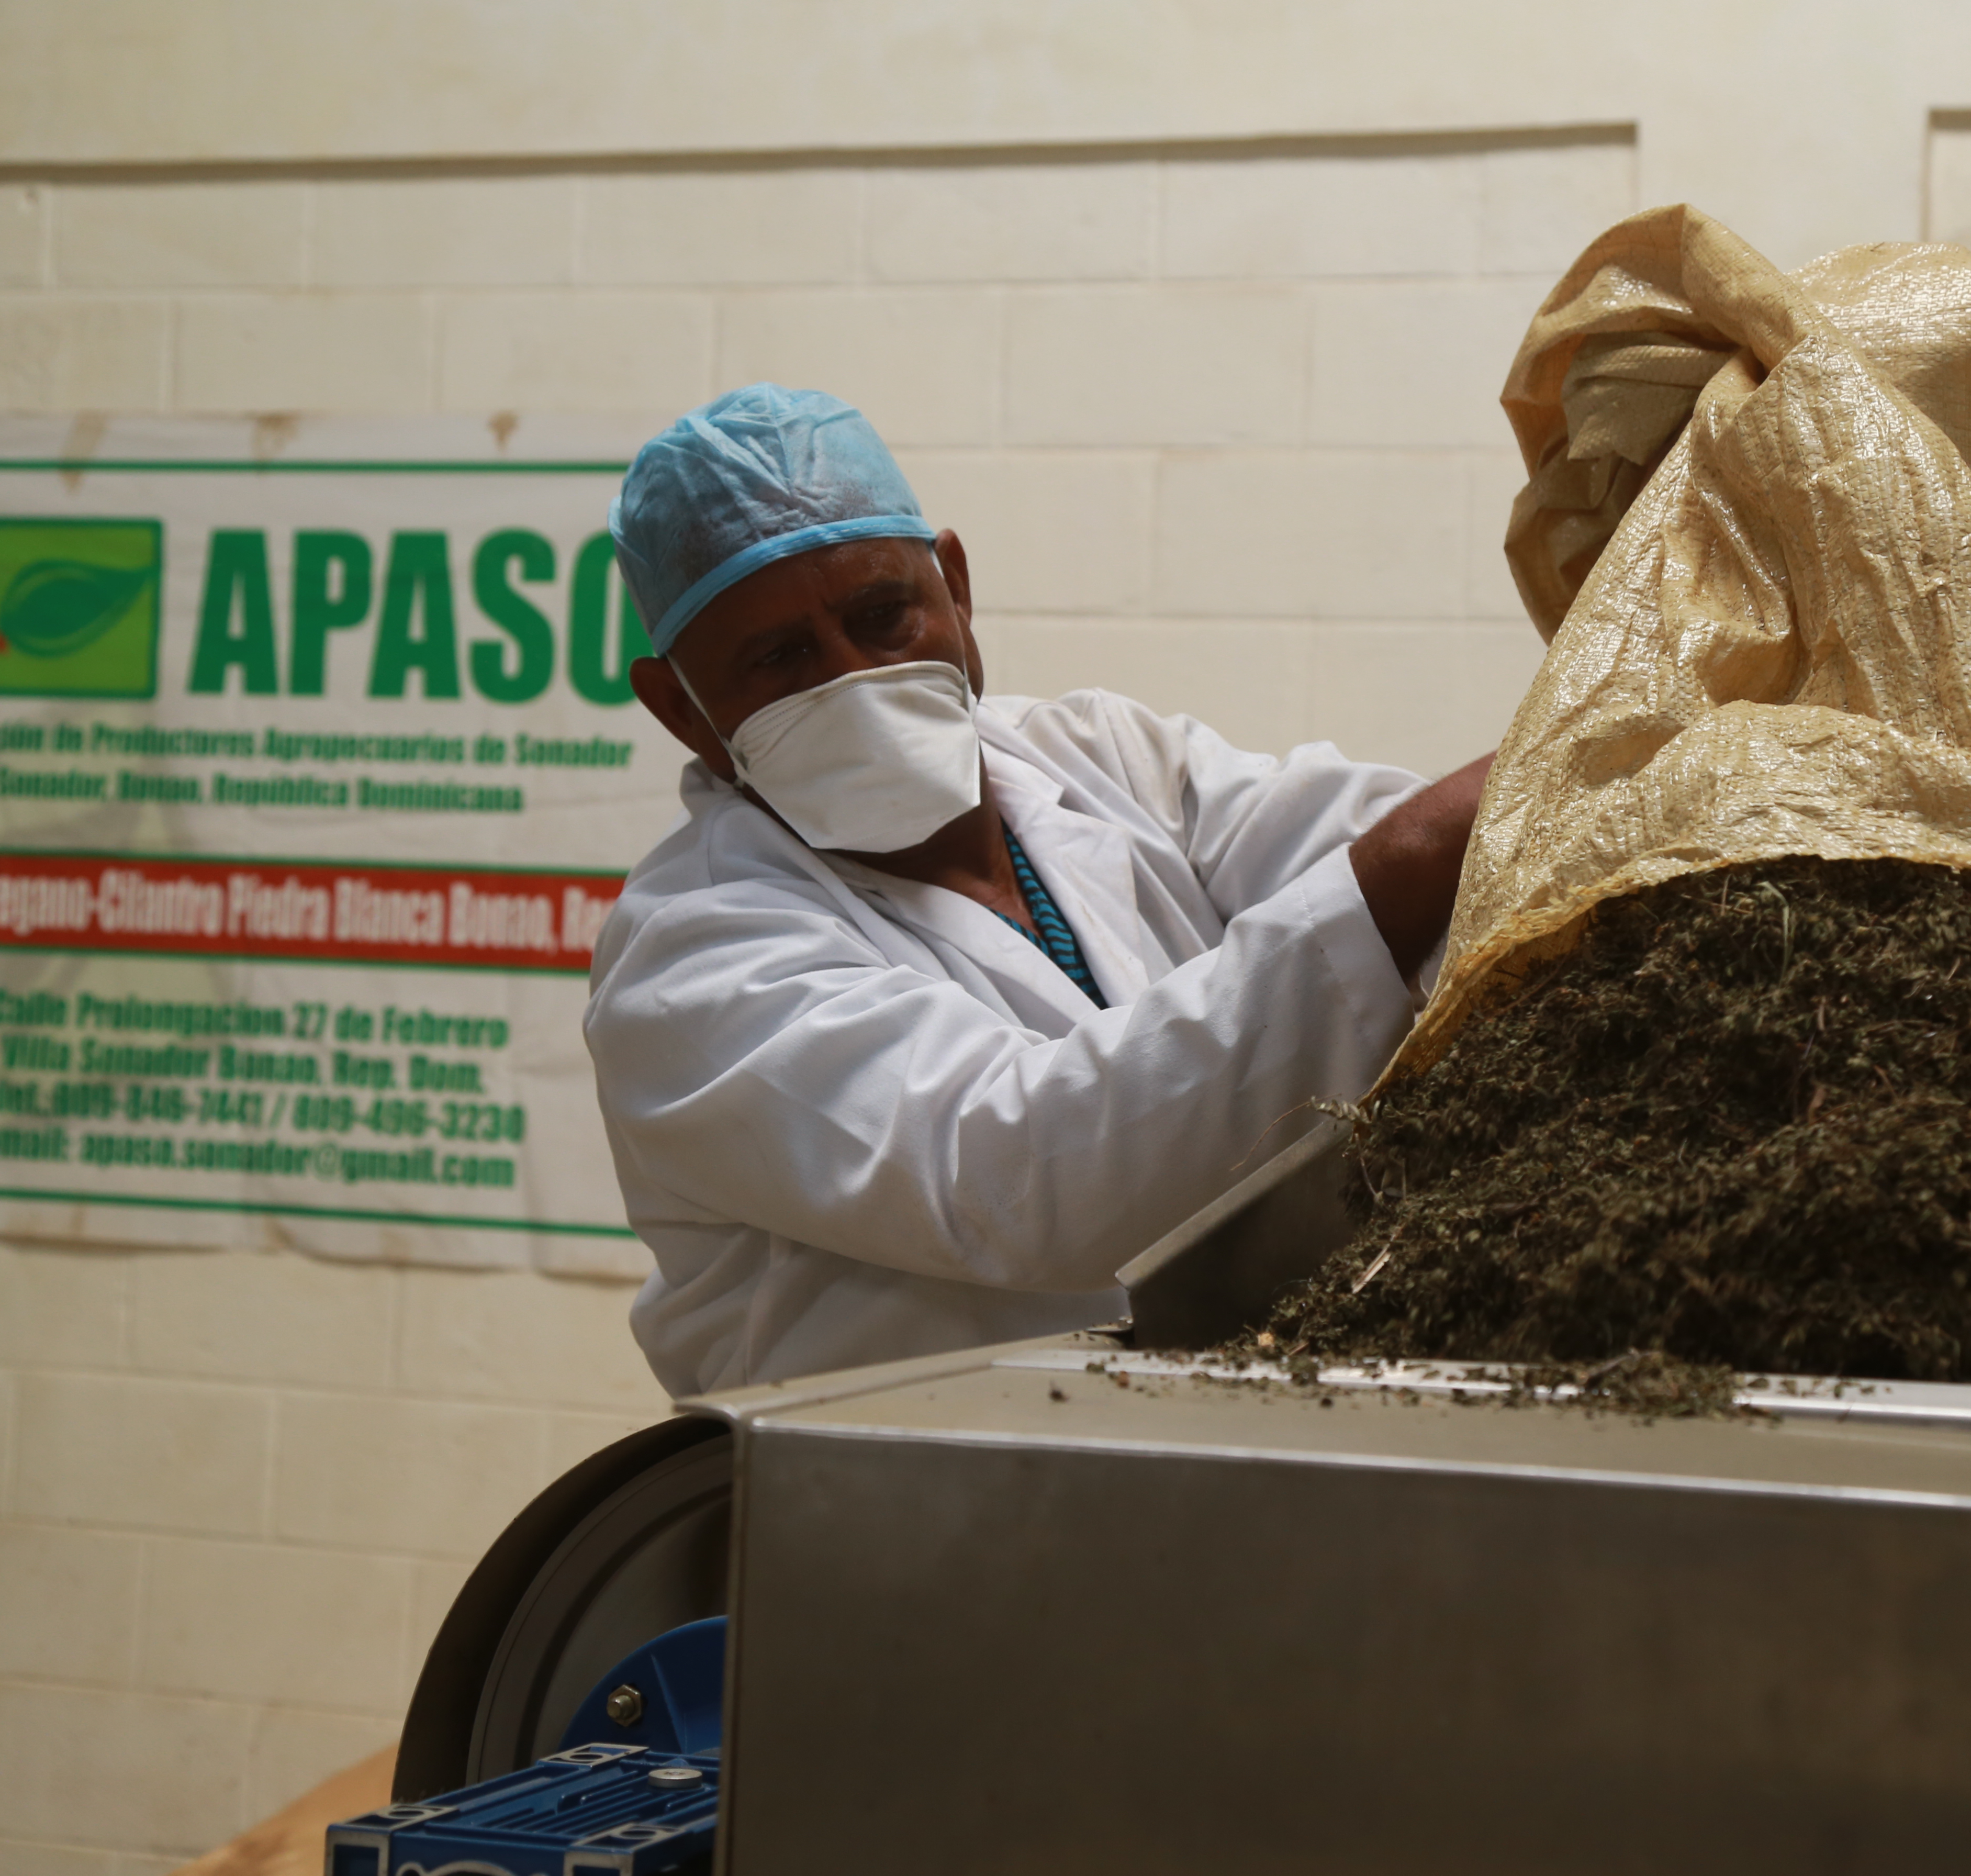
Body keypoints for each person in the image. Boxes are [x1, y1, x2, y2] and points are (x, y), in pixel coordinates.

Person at [585, 385, 1492, 1396]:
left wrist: (1562, 778)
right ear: (682, 709)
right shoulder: (691, 958)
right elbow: (1014, 1180)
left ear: (956, 589)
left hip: (1205, 1423)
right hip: (902, 1474)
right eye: (781, 658)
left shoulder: (1103, 754)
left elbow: (1403, 860)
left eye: (882, 617)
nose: (852, 679)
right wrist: (1419, 857)